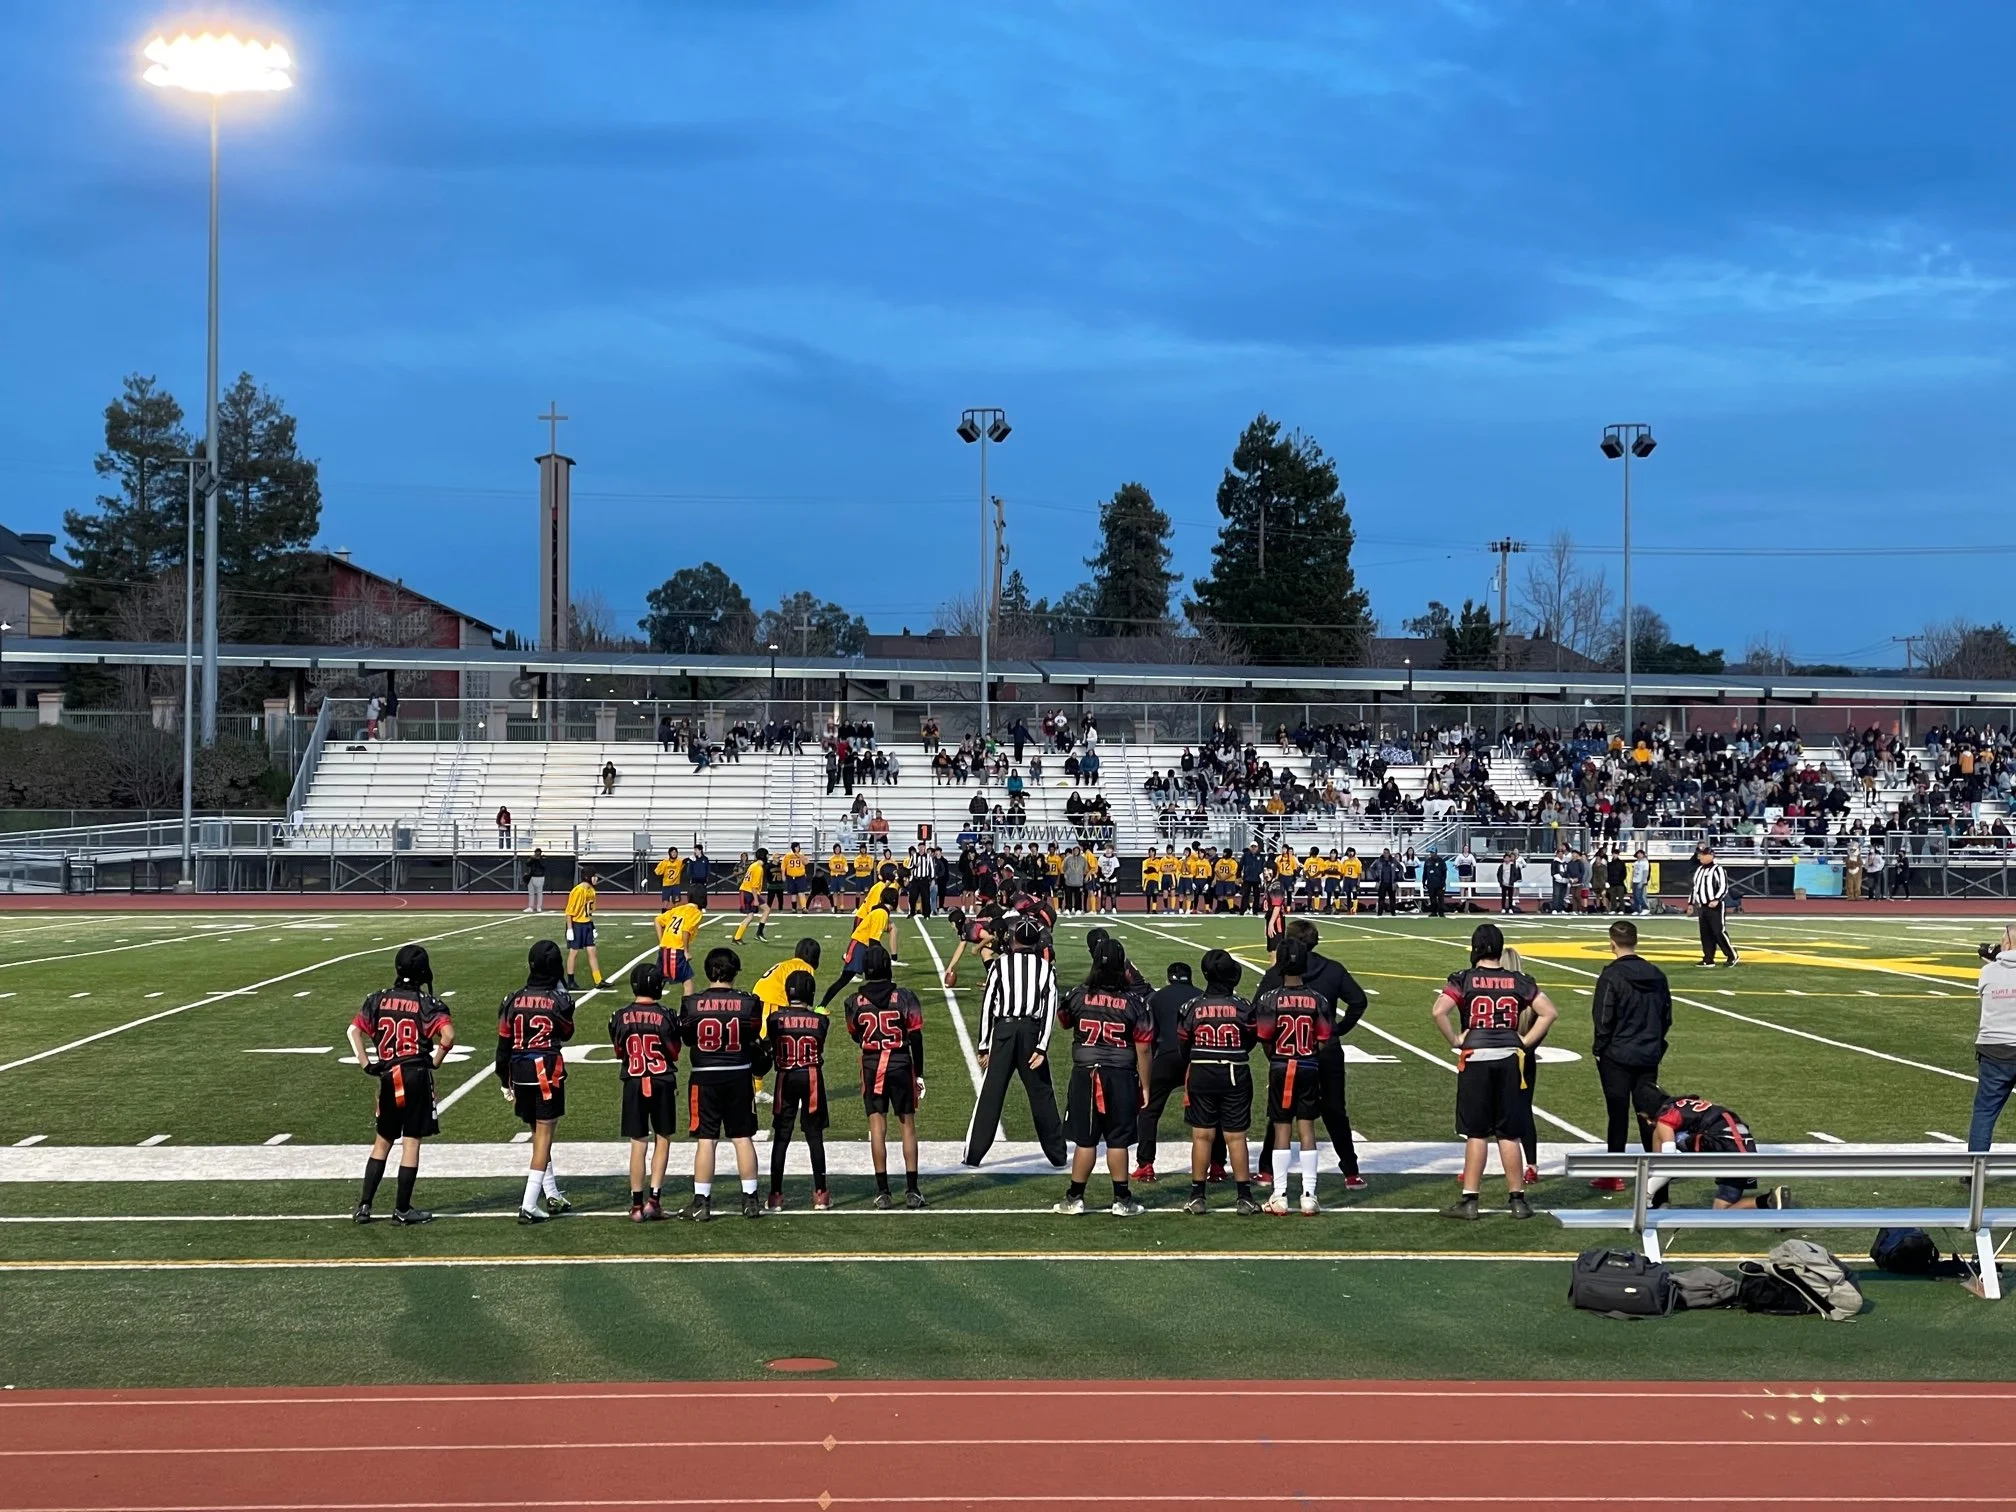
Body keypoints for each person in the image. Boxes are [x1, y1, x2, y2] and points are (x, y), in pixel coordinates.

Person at [1431, 923, 1556, 1221]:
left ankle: (1470, 1199)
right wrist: (1524, 1041)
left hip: (1476, 1058)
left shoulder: (1464, 980)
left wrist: (1456, 1039)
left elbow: (1439, 1011)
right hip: (1509, 1058)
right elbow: (1549, 1012)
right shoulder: (1519, 980)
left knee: (1476, 1132)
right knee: (1508, 1133)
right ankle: (1517, 1200)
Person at [1255, 919, 1370, 1189]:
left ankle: (1267, 1171)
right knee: (1334, 1111)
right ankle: (1351, 1171)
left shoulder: (1277, 975)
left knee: (1280, 1113)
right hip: (1324, 1048)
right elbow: (1358, 1001)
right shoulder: (1332, 969)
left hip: (1287, 1052)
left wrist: (1272, 1051)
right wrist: (1336, 1030)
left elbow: (1258, 1012)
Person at [346, 944, 454, 1225]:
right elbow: (448, 1035)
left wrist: (366, 1063)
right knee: (411, 1142)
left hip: (388, 1073)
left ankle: (364, 1205)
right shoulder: (427, 1004)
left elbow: (353, 1030)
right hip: (415, 1074)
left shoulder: (378, 1000)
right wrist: (437, 1060)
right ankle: (402, 1209)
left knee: (382, 1141)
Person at [1053, 937, 1154, 1217]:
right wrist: (1146, 1085)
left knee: (1086, 1140)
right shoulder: (1134, 1002)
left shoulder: (1077, 994)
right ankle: (1121, 1199)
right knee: (1117, 1140)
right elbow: (1144, 1049)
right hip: (1121, 1075)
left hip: (1086, 1074)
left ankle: (1075, 1197)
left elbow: (1063, 1021)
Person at [962, 913, 1067, 1169]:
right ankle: (1057, 1154)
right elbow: (1050, 1007)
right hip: (1031, 1034)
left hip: (1005, 1031)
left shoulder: (999, 964)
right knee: (1042, 1093)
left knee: (991, 1093)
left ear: (1014, 938)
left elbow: (988, 1005)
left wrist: (984, 1045)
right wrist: (1042, 1046)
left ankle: (974, 1154)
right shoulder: (1046, 969)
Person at [676, 947, 767, 1222]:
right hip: (739, 1074)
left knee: (707, 1140)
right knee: (742, 1138)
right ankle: (750, 1200)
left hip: (705, 1077)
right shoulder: (749, 1003)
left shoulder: (692, 1003)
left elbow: (689, 1039)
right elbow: (752, 1035)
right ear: (734, 971)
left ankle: (702, 1202)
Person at [496, 939, 577, 1223]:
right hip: (546, 1070)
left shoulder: (512, 999)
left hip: (519, 1072)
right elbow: (566, 1032)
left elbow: (503, 1045)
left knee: (538, 1134)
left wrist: (504, 1081)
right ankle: (529, 1203)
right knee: (544, 1136)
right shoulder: (559, 1000)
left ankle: (551, 1192)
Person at [842, 944, 928, 1209]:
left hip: (872, 1066)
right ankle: (912, 1190)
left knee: (877, 1128)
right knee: (908, 1127)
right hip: (901, 1063)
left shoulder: (853, 1001)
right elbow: (915, 1036)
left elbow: (855, 1033)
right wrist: (919, 1073)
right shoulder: (904, 997)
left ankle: (883, 1192)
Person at [1588, 918, 1671, 1190]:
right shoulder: (1657, 974)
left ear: (1612, 943)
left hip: (1618, 1053)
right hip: (1648, 1052)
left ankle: (1614, 1173)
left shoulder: (1611, 975)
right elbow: (1666, 1016)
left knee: (1618, 1113)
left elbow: (1603, 1017)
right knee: (1647, 1112)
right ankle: (1653, 1170)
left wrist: (1600, 1049)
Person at [1177, 949, 1261, 1214]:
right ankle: (1244, 1197)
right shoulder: (1243, 1006)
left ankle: (1197, 1196)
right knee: (1236, 1137)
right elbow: (1251, 1040)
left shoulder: (1191, 1006)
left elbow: (1183, 1043)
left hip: (1201, 1069)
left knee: (1202, 1136)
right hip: (1234, 1070)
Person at [1254, 937, 1332, 1215]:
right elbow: (1323, 1038)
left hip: (1281, 1066)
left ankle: (1280, 1193)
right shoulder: (1317, 999)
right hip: (1309, 1065)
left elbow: (1264, 1036)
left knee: (1281, 1128)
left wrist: (1277, 1057)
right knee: (1307, 1129)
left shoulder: (1269, 999)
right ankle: (1309, 1194)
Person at [1635, 1085, 1790, 1211]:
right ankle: (1769, 1200)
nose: (1648, 1123)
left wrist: (1646, 1192)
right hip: (1744, 1145)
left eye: (1646, 1117)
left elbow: (1669, 1161)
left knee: (1661, 1141)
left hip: (1722, 1143)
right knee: (1720, 1211)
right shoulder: (1684, 1105)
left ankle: (1650, 1190)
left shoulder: (1665, 1117)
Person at [609, 960, 681, 1221]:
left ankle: (636, 1205)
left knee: (638, 1143)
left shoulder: (619, 1016)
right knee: (663, 1138)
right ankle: (654, 1200)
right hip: (661, 1079)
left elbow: (620, 1052)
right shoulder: (667, 1016)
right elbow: (674, 1051)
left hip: (634, 1080)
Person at [763, 968, 833, 1210]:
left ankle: (775, 1194)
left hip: (785, 1077)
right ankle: (821, 1193)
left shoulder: (775, 1020)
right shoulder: (821, 1021)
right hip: (811, 1076)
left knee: (782, 1136)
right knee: (814, 1135)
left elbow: (770, 1041)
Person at [1133, 961, 1202, 1182]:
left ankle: (1145, 1164)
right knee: (1210, 1112)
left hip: (1164, 1057)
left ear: (1168, 978)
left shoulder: (1156, 998)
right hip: (1195, 1058)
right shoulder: (1201, 997)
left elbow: (1147, 1034)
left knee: (1149, 1110)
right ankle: (1217, 1164)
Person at [751, 938, 823, 1107]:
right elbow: (802, 997)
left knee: (765, 1049)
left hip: (763, 1001)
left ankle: (757, 1090)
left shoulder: (788, 963)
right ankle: (788, 1092)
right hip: (770, 1003)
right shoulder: (805, 968)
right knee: (771, 1049)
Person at [1968, 924, 2016, 1151]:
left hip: (1993, 1048)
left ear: (2005, 944)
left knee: (1985, 1112)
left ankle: (1975, 1167)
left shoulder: (1988, 972)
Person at [821, 888, 892, 1006]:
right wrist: (882, 955)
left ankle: (880, 1003)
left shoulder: (881, 912)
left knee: (879, 976)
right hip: (860, 945)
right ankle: (822, 1005)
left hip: (863, 945)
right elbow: (873, 939)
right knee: (844, 979)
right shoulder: (881, 913)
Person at [1689, 842, 1739, 966]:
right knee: (1705, 933)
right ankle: (1708, 958)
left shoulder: (1718, 869)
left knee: (1718, 931)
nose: (1700, 857)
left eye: (1702, 855)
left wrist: (1716, 899)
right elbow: (1695, 888)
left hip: (1715, 906)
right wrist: (1691, 903)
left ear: (1710, 856)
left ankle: (1732, 955)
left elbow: (1723, 886)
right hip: (1702, 906)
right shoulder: (1699, 869)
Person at [655, 890, 706, 1001]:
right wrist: (686, 951)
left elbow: (657, 920)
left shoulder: (678, 909)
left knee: (657, 981)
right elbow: (685, 930)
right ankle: (685, 1013)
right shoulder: (696, 913)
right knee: (688, 983)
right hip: (676, 950)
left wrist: (661, 940)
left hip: (664, 949)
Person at [562, 871, 602, 989]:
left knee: (592, 952)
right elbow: (569, 911)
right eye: (594, 876)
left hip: (587, 924)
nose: (596, 878)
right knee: (574, 952)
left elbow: (588, 912)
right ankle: (570, 981)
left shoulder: (592, 891)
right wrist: (570, 929)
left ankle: (598, 980)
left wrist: (592, 926)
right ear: (588, 877)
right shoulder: (578, 891)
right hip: (576, 924)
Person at [733, 849, 771, 944]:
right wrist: (756, 899)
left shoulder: (754, 865)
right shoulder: (758, 868)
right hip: (749, 892)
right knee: (753, 915)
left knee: (759, 912)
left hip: (747, 891)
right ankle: (754, 934)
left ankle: (755, 934)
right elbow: (754, 886)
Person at [1496, 849, 1522, 915]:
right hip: (1504, 884)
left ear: (1510, 859)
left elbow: (1516, 874)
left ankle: (1510, 908)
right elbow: (1498, 874)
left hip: (1510, 884)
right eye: (1506, 858)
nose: (1507, 859)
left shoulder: (1512, 866)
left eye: (1508, 858)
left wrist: (1513, 880)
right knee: (1503, 897)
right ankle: (1503, 908)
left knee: (1510, 896)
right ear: (1504, 859)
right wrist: (1500, 881)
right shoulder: (1501, 866)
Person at [524, 848, 546, 914]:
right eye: (536, 852)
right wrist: (531, 859)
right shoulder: (532, 859)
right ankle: (531, 907)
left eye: (538, 852)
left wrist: (538, 859)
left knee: (539, 893)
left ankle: (539, 907)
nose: (537, 854)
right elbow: (527, 864)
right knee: (531, 893)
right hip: (532, 876)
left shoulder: (543, 859)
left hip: (540, 877)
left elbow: (543, 866)